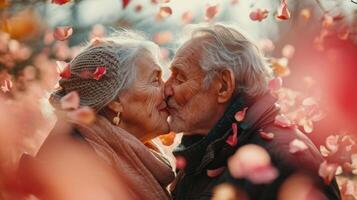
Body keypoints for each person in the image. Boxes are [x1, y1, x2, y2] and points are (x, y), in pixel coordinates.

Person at [164, 23, 341, 200]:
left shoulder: (287, 160)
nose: (166, 89)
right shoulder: (202, 154)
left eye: (179, 78)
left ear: (223, 86)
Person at [18, 31, 174, 200]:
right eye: (155, 80)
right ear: (116, 101)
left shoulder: (122, 159)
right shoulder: (75, 179)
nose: (168, 90)